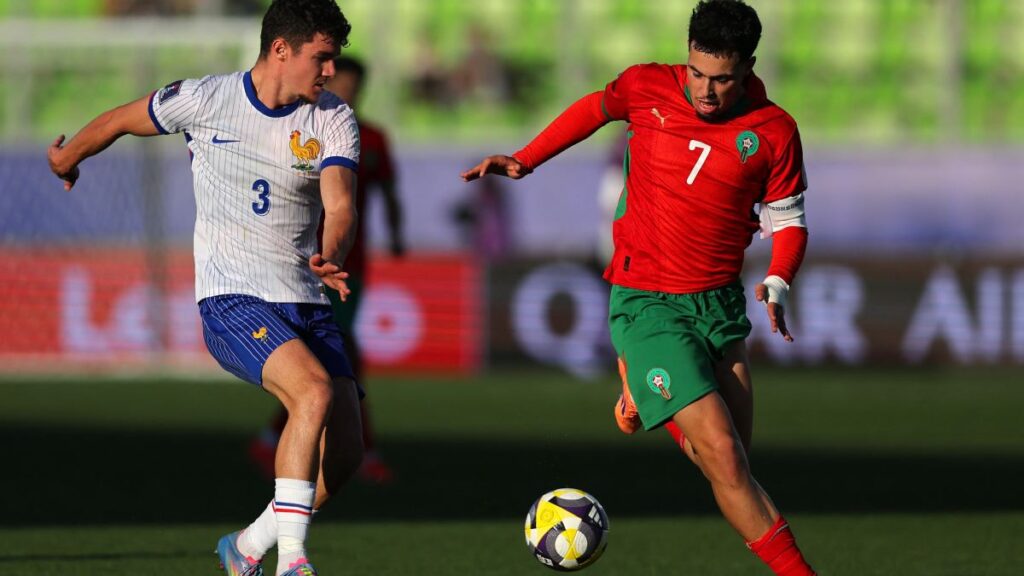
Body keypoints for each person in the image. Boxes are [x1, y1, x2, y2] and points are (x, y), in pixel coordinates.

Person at [461, 1, 815, 574]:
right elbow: (595, 108)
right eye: (697, 73)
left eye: (722, 79)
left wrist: (778, 278)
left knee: (728, 462)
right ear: (687, 57)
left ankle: (642, 395)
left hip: (719, 304)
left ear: (748, 68)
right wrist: (527, 159)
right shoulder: (647, 85)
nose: (705, 91)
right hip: (647, 300)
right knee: (724, 457)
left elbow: (790, 222)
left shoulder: (774, 132)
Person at [48, 1, 362, 575]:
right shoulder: (206, 99)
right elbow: (120, 119)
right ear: (281, 49)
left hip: (306, 300)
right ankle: (293, 562)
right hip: (232, 297)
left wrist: (333, 252)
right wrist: (68, 157)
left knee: (344, 454)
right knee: (312, 393)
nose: (330, 70)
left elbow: (339, 204)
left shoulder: (332, 116)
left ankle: (247, 546)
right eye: (321, 57)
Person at [250, 54, 405, 485]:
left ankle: (279, 439)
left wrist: (397, 234)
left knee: (331, 359)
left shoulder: (372, 138)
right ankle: (356, 448)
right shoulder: (301, 132)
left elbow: (389, 193)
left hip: (349, 265)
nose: (348, 94)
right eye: (342, 86)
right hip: (304, 262)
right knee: (336, 358)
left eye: (354, 88)